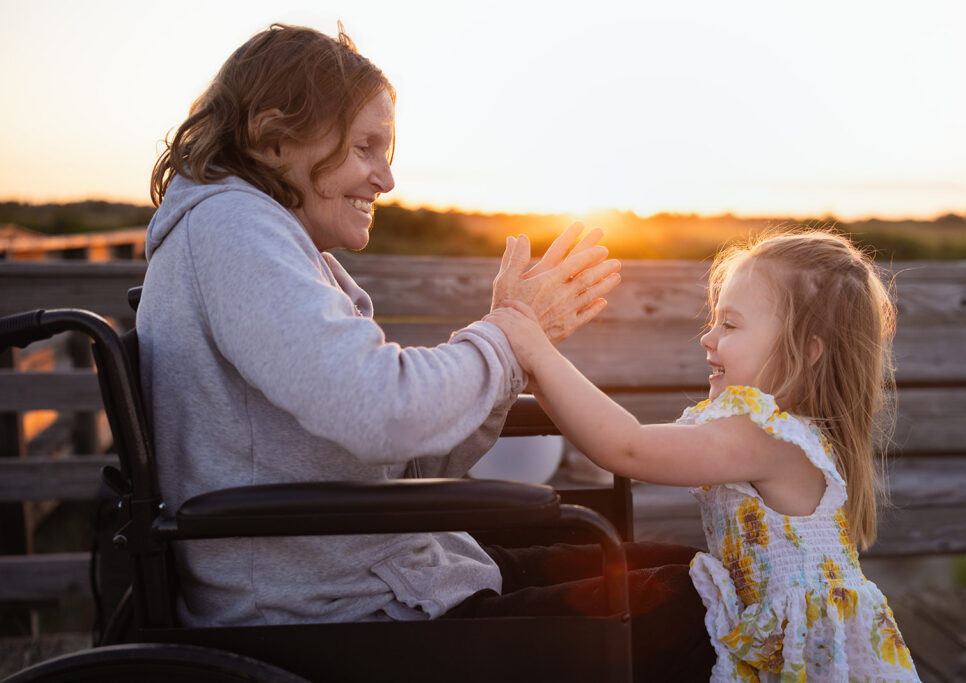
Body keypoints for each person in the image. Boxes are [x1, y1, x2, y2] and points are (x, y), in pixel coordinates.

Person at [138, 22, 713, 680]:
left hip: (390, 570)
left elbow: (413, 460)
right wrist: (506, 333)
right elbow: (377, 408)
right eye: (365, 148)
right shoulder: (233, 230)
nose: (385, 177)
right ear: (273, 137)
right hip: (333, 613)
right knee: (702, 605)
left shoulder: (268, 240)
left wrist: (514, 348)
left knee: (692, 570)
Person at [485, 229, 921, 680]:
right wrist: (534, 368)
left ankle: (484, 609)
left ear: (807, 351)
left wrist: (536, 351)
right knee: (658, 560)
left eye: (730, 325)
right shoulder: (777, 431)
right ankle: (495, 573)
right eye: (715, 320)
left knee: (667, 585)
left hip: (799, 660)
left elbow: (626, 446)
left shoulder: (768, 438)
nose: (707, 338)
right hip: (764, 626)